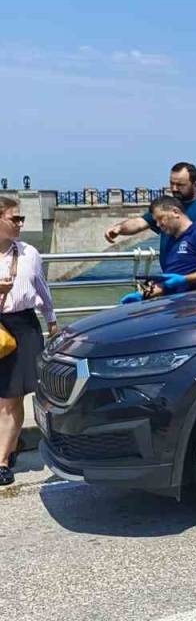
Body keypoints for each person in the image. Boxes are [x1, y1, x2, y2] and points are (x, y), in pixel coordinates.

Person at [0, 197, 57, 485]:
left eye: (21, 218)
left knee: (10, 398)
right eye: (15, 218)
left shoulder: (29, 253)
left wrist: (52, 321)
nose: (21, 224)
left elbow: (42, 289)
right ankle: (10, 444)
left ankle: (2, 460)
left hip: (23, 329)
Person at [104, 162, 196, 285]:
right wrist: (119, 228)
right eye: (172, 183)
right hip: (173, 280)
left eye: (180, 184)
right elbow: (140, 222)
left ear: (195, 184)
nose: (174, 188)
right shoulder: (166, 207)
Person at [121, 196, 196, 304]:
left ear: (175, 212)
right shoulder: (171, 240)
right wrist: (144, 294)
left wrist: (185, 279)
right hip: (175, 305)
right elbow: (171, 282)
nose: (158, 224)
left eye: (160, 218)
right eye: (156, 221)